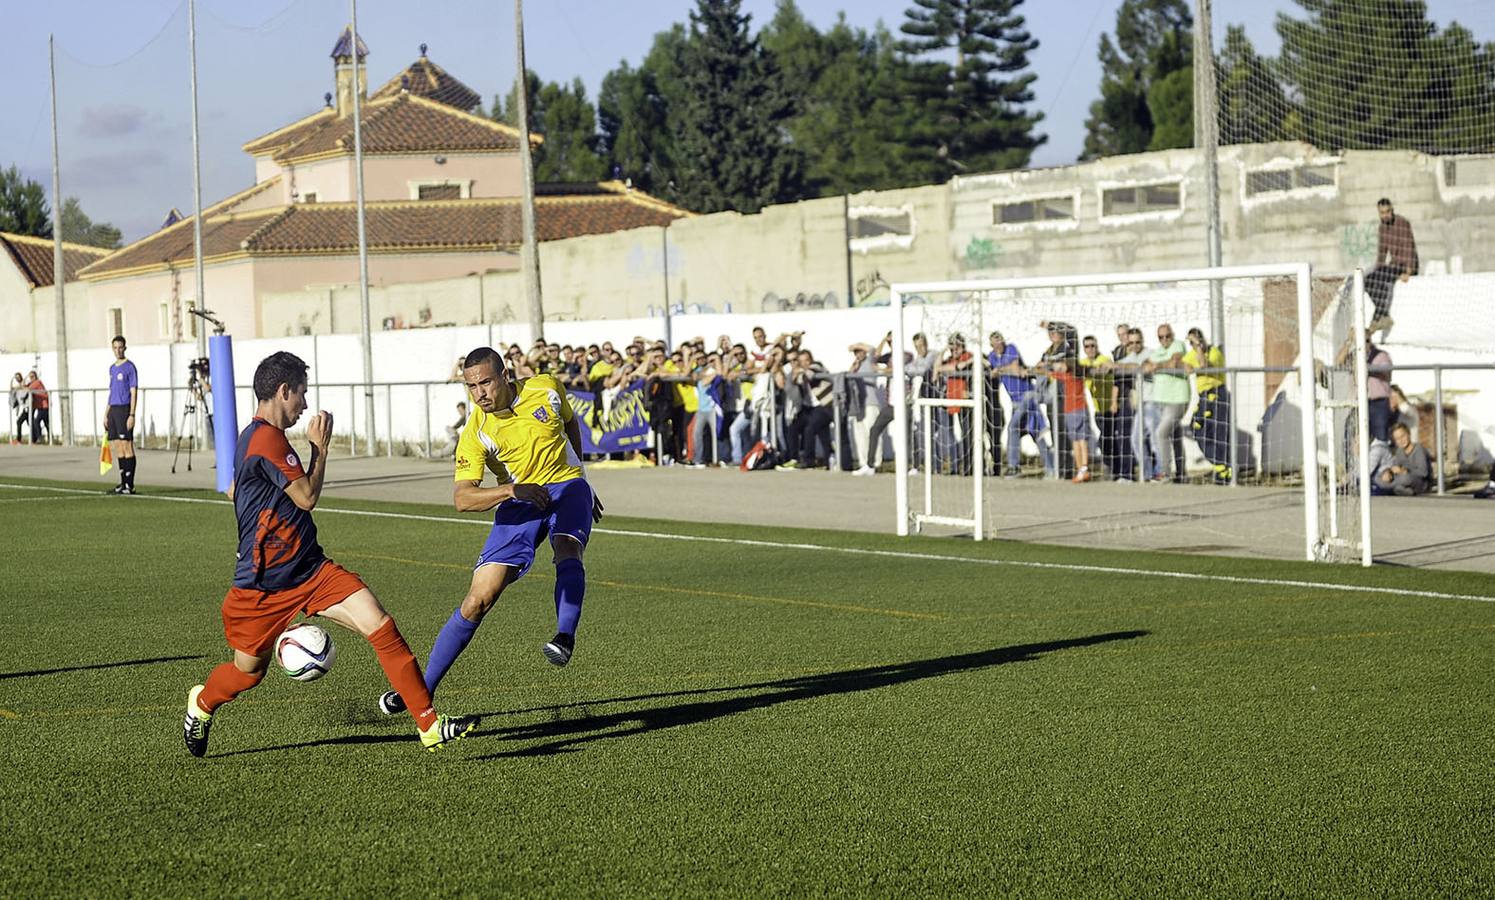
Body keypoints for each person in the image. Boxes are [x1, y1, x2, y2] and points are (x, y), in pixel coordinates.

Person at [182, 351, 477, 757]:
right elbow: (307, 497)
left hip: (310, 569)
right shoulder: (265, 439)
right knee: (247, 673)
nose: (304, 404)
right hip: (261, 586)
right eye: (301, 394)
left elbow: (245, 490)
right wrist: (320, 450)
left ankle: (428, 725)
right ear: (283, 391)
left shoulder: (259, 438)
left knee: (380, 624)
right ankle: (202, 703)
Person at [378, 346, 604, 718]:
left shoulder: (546, 388)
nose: (479, 393)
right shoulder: (476, 432)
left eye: (485, 382)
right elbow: (463, 498)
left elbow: (569, 424)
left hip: (567, 486)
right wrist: (510, 490)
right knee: (478, 599)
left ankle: (564, 636)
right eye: (471, 386)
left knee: (567, 548)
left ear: (505, 376)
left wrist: (583, 479)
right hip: (518, 501)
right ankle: (419, 691)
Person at [989, 332, 1054, 477]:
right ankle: (1051, 467)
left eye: (1000, 342)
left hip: (1026, 396)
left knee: (1013, 428)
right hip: (1014, 401)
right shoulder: (992, 356)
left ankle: (1014, 467)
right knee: (1034, 432)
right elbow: (996, 372)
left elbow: (1016, 368)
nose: (998, 345)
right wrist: (997, 371)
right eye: (995, 343)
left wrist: (999, 370)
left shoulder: (1011, 348)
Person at [1182, 328, 1231, 484]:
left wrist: (1199, 348)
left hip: (1217, 394)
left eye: (1197, 341)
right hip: (1203, 397)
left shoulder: (1214, 352)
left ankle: (1223, 470)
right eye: (1191, 343)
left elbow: (1204, 365)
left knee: (1218, 434)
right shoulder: (1190, 355)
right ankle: (1221, 467)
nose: (1195, 345)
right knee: (1197, 429)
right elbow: (1184, 365)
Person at [1142, 324, 1189, 483]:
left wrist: (1158, 366)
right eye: (1161, 337)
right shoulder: (1157, 351)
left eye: (1167, 336)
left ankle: (1165, 473)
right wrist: (1153, 365)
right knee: (1175, 436)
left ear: (1172, 335)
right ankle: (1181, 473)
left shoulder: (1178, 345)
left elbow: (1174, 362)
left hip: (1177, 399)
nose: (1164, 340)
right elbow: (1146, 365)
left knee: (1161, 433)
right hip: (1161, 400)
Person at [1366, 198, 1418, 335]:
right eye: (1382, 213)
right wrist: (1378, 268)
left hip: (1404, 265)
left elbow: (1409, 246)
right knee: (1368, 280)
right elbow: (1382, 251)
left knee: (1383, 279)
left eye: (1387, 211)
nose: (1385, 215)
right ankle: (1383, 315)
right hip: (1393, 265)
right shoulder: (1382, 227)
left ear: (1392, 210)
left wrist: (1408, 270)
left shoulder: (1402, 223)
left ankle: (1378, 318)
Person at [104, 336, 140, 494]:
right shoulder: (112, 368)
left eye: (120, 347)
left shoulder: (130, 367)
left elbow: (133, 391)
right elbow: (111, 392)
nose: (118, 350)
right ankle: (122, 482)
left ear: (125, 348)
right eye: (115, 348)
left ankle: (130, 484)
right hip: (114, 410)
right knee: (118, 446)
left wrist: (132, 414)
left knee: (127, 445)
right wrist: (106, 413)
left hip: (125, 409)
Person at [1078, 337, 1115, 479]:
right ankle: (1108, 466)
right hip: (1098, 408)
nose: (1090, 349)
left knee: (1108, 437)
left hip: (1110, 405)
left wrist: (1099, 369)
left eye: (1093, 346)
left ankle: (1110, 467)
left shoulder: (1103, 358)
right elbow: (1078, 368)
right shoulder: (1083, 362)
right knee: (1104, 437)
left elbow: (1108, 364)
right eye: (1087, 346)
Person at [1374, 422, 1430, 496]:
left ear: (1408, 434)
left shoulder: (1419, 450)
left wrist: (1405, 470)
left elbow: (1423, 473)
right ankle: (1401, 490)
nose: (1401, 440)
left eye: (1403, 436)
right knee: (1378, 477)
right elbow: (1395, 466)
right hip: (1402, 480)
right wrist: (1389, 472)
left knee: (1406, 478)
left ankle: (1388, 488)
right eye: (1397, 439)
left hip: (1418, 481)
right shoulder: (1399, 451)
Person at [10, 373, 28, 445]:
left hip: (27, 406)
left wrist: (19, 386)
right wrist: (12, 379)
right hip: (23, 407)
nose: (17, 378)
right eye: (16, 378)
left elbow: (23, 387)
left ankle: (19, 440)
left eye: (18, 377)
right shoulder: (18, 386)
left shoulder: (24, 383)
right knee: (29, 422)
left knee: (19, 422)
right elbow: (11, 388)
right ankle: (34, 438)